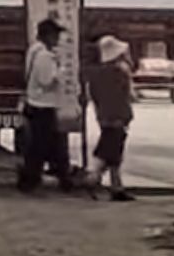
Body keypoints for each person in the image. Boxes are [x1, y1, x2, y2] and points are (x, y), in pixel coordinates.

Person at [16, 17, 76, 194]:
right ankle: (33, 179)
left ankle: (44, 177)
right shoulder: (44, 56)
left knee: (42, 144)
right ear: (48, 35)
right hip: (43, 105)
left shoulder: (34, 51)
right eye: (56, 34)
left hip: (34, 102)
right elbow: (46, 80)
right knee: (42, 145)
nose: (57, 39)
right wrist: (60, 71)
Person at [82, 35, 136, 202]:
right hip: (118, 115)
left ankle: (116, 186)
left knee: (111, 148)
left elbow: (94, 95)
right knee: (111, 150)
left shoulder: (96, 74)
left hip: (103, 114)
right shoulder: (120, 72)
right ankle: (93, 177)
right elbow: (126, 96)